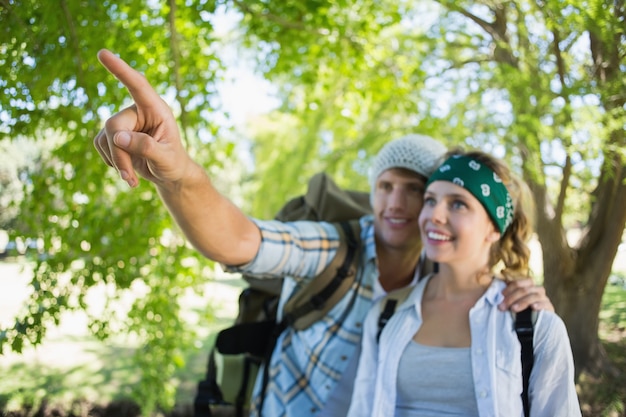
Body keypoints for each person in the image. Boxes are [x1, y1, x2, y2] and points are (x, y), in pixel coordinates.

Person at [93, 49, 555, 417]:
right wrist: (181, 176)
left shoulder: (446, 273)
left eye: (415, 191)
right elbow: (238, 241)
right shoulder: (335, 247)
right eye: (384, 187)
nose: (395, 203)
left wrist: (532, 308)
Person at [347, 150, 581, 417]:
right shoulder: (385, 314)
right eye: (430, 200)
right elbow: (362, 410)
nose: (434, 215)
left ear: (494, 227)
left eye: (458, 204)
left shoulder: (536, 327)